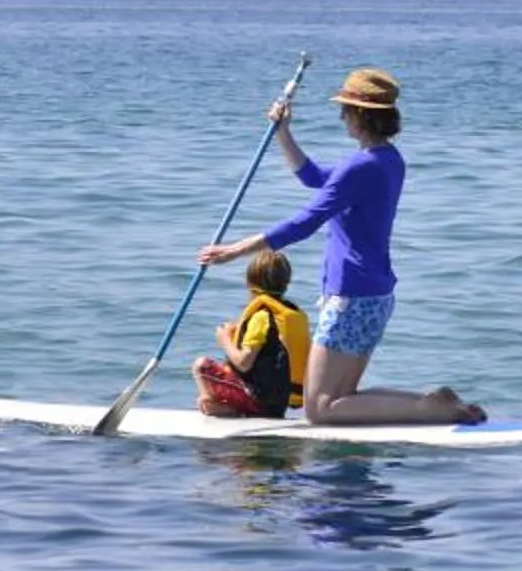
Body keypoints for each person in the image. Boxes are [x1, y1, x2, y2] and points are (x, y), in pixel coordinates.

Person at [196, 66, 483, 427]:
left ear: (361, 115)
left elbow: (306, 221)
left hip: (351, 297)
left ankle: (431, 410)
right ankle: (429, 402)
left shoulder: (361, 166)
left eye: (345, 109)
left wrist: (234, 251)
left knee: (321, 409)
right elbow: (314, 178)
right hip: (374, 295)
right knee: (341, 396)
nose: (341, 116)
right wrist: (283, 133)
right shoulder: (388, 160)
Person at [191, 249, 311, 419]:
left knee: (201, 365)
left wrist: (225, 340)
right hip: (280, 403)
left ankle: (221, 407)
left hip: (258, 401)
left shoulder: (262, 317)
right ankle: (224, 406)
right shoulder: (294, 315)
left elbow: (244, 363)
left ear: (249, 282)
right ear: (286, 282)